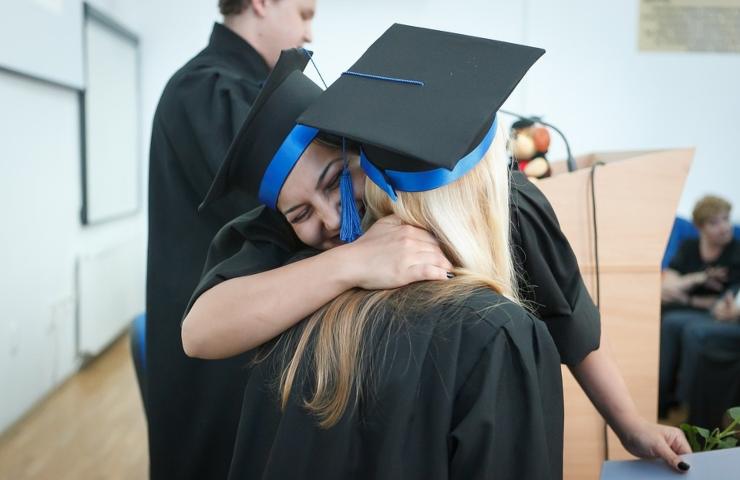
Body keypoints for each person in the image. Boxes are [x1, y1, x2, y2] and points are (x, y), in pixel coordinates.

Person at [183, 26, 692, 474]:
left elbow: (570, 318)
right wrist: (350, 262)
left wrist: (629, 426)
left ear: (358, 146)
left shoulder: (498, 200)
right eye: (300, 214)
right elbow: (201, 331)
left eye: (336, 181)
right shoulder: (283, 230)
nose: (331, 220)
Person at [145, 1, 316, 478]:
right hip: (215, 359)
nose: (309, 33)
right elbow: (282, 208)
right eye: (304, 14)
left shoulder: (233, 91)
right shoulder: (206, 90)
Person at [659, 195, 740, 417]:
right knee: (668, 319)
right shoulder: (690, 246)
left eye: (726, 219)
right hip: (692, 307)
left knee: (687, 328)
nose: (724, 227)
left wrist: (685, 295)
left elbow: (724, 302)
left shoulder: (736, 249)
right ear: (700, 227)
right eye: (715, 222)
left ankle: (686, 404)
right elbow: (666, 287)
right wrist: (698, 279)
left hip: (718, 313)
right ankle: (661, 399)